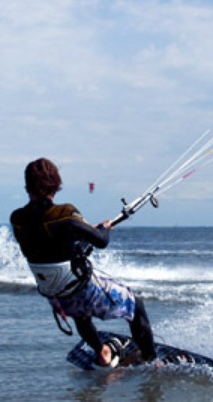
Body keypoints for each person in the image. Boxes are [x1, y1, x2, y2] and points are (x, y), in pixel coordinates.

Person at [10, 157, 157, 367]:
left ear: (27, 186)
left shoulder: (17, 218)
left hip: (54, 295)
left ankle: (102, 351)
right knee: (136, 305)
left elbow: (45, 242)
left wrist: (83, 232)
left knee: (81, 313)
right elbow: (101, 242)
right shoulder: (65, 213)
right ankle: (151, 361)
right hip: (80, 289)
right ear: (56, 184)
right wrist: (104, 229)